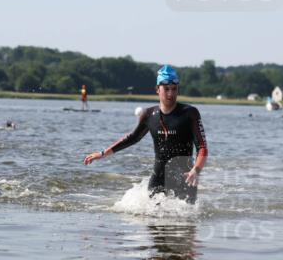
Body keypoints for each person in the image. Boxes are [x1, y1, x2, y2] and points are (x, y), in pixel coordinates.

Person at [83, 65, 208, 203]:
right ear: (157, 90)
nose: (170, 94)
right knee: (149, 219)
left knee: (185, 221)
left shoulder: (189, 113)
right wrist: (102, 153)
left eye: (174, 89)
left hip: (186, 176)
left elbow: (202, 147)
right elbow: (133, 138)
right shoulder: (148, 115)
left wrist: (196, 170)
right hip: (158, 176)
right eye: (166, 89)